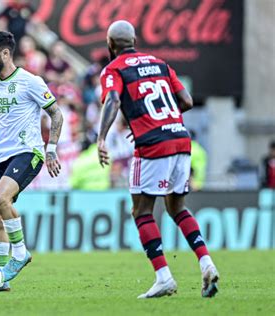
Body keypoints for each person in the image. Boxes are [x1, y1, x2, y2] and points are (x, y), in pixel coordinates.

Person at [96, 21, 219, 299]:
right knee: (177, 208)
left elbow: (113, 100)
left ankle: (164, 277)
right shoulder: (160, 63)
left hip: (153, 146)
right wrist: (156, 120)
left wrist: (101, 137)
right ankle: (206, 263)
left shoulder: (114, 69)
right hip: (180, 138)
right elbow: (186, 101)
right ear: (135, 39)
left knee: (141, 211)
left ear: (110, 44)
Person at [0, 31, 63, 290]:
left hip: (28, 152)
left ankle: (20, 254)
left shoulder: (30, 81)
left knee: (0, 198)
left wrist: (51, 148)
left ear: (5, 54)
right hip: (1, 155)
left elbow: (56, 113)